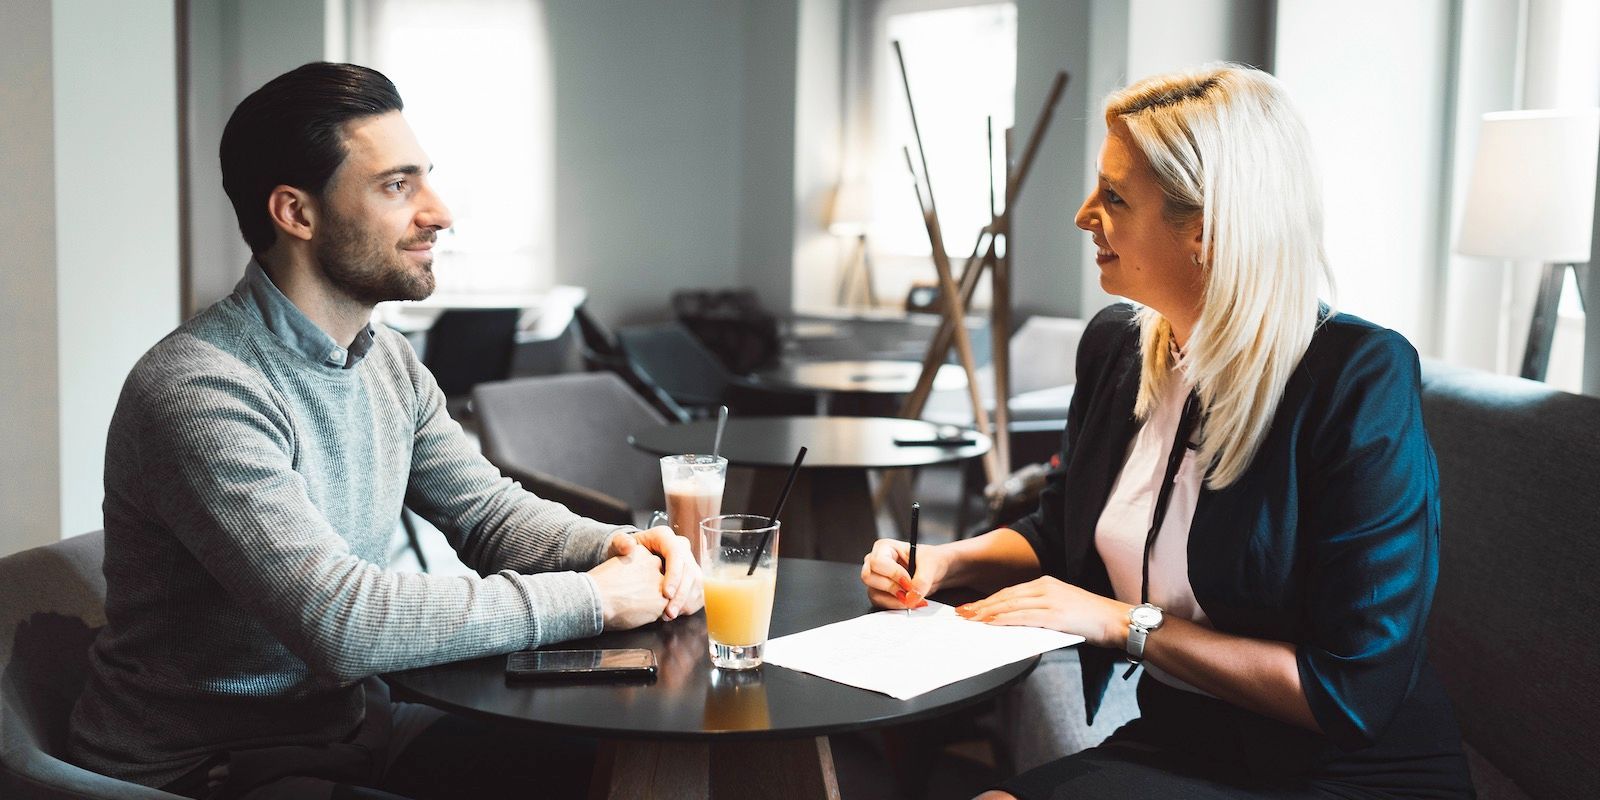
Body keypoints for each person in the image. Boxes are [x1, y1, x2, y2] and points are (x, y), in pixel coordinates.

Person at [67, 62, 700, 799]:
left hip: (351, 734)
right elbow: (343, 622)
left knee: (627, 769)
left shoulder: (386, 359)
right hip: (211, 770)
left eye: (424, 179)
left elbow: (488, 514)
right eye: (397, 187)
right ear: (296, 214)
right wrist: (593, 598)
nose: (439, 212)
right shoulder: (200, 389)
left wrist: (619, 548)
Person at [861, 64, 1474, 798]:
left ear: (1207, 233)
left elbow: (1350, 691)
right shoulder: (1118, 349)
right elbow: (1064, 530)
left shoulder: (1358, 379)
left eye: (1115, 196)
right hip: (1182, 741)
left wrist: (1126, 624)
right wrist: (943, 561)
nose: (1085, 215)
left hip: (1345, 772)